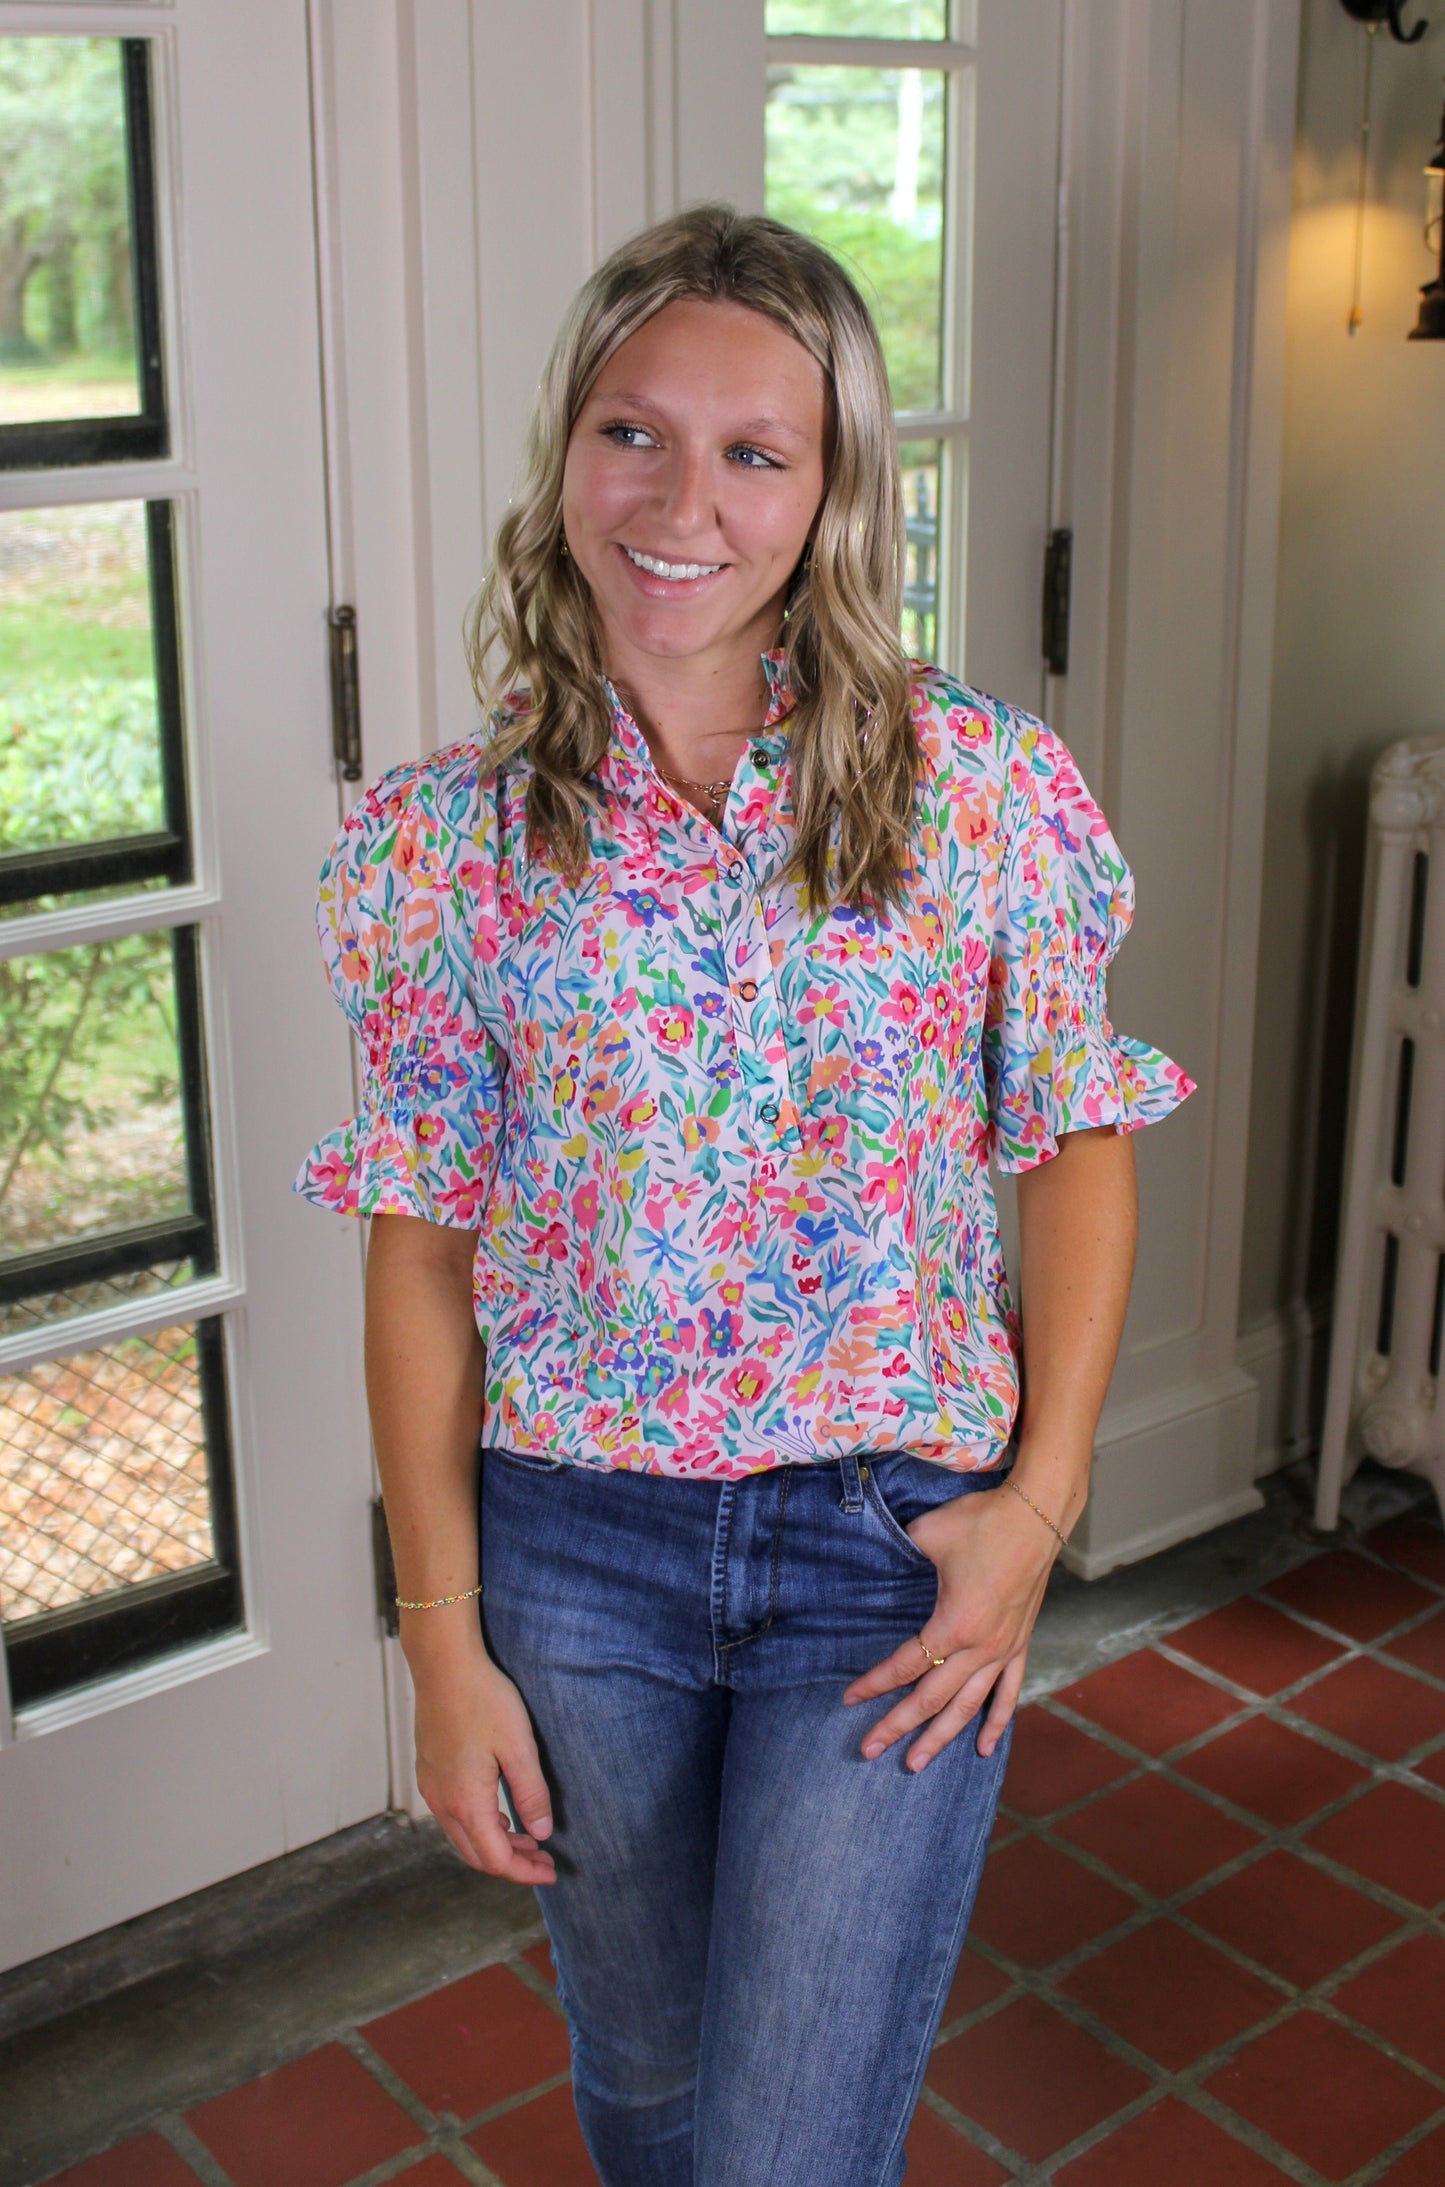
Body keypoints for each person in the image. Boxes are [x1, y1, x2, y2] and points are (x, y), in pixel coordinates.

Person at [296, 203, 1193, 2187]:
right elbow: (422, 1245)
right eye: (635, 432)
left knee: (787, 2149)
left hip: (885, 1555)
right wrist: (443, 1640)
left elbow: (1076, 1141)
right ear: (564, 455)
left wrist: (1036, 1511)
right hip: (573, 1564)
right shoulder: (447, 843)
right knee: (646, 2075)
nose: (681, 499)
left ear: (829, 490)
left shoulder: (972, 788)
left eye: (754, 451)